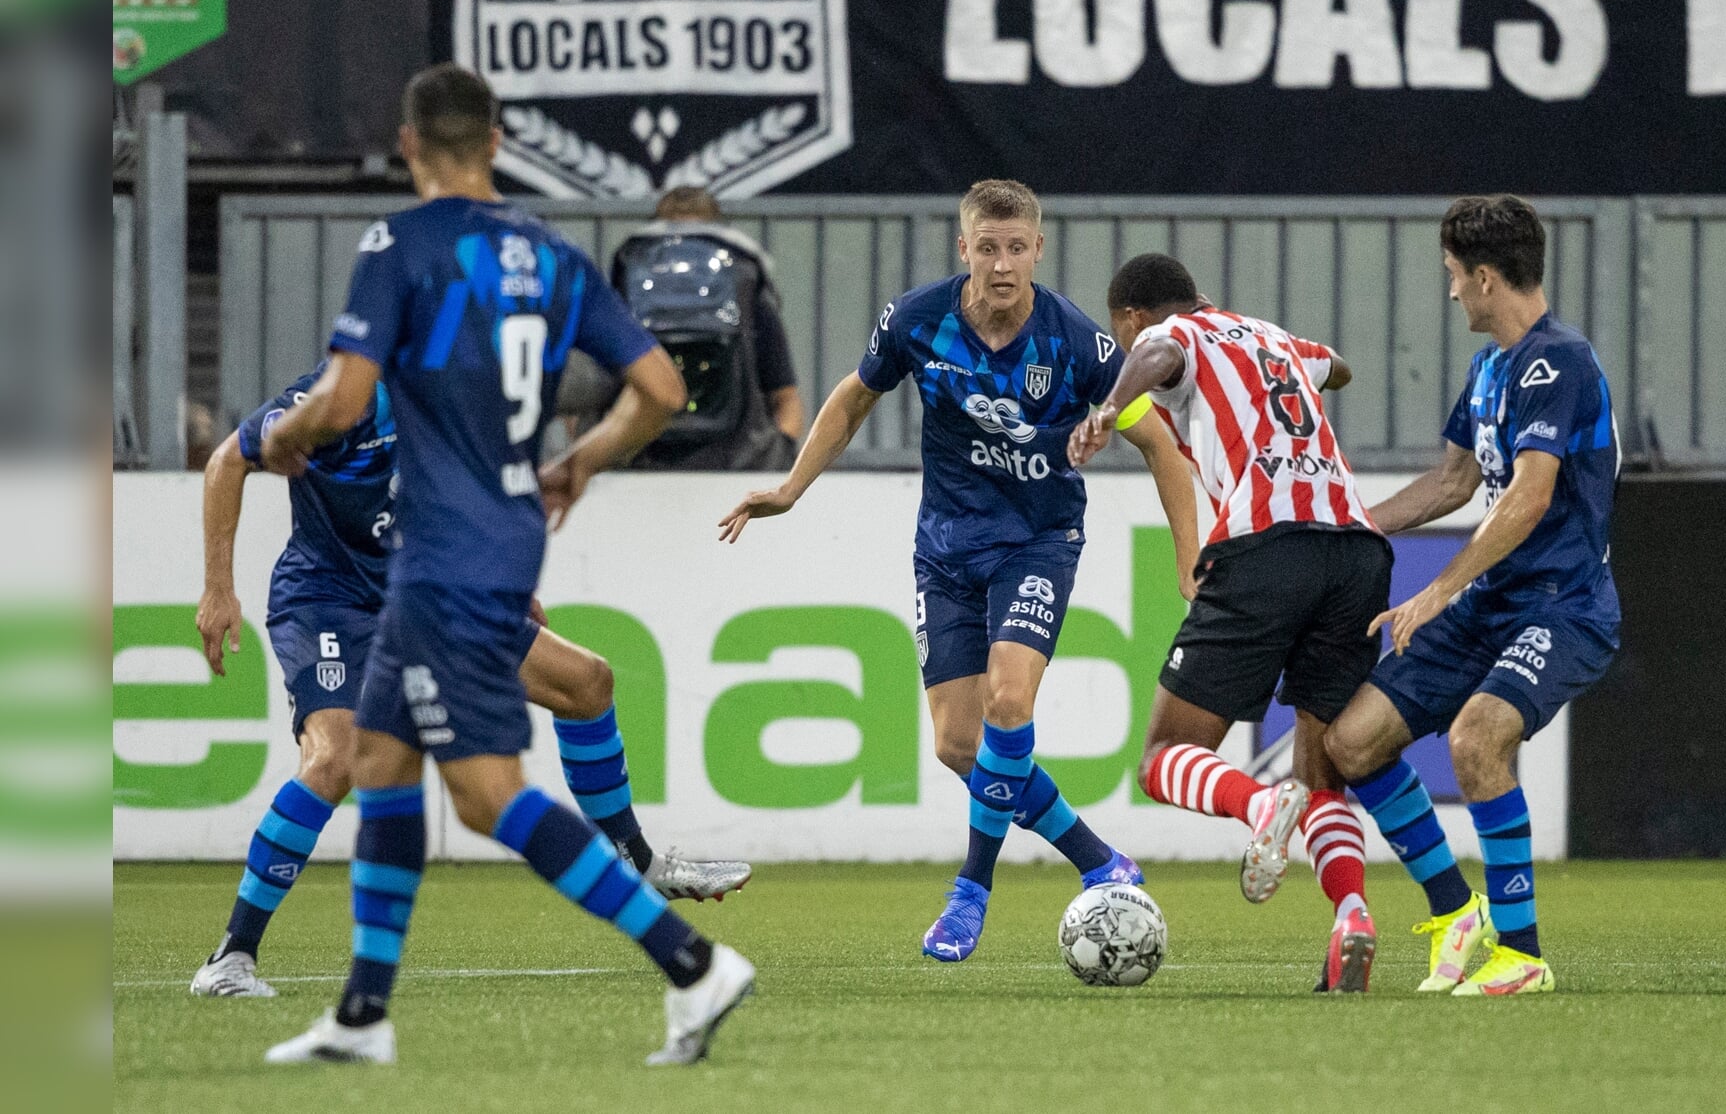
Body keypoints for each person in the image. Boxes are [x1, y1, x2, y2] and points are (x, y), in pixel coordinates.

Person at [258, 64, 753, 1065]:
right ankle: (362, 1014)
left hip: (446, 553)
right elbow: (658, 384)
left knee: (487, 794)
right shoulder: (551, 253)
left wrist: (288, 434)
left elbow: (346, 399)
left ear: (408, 147)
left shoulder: (398, 246)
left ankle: (694, 962)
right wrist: (580, 458)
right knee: (384, 764)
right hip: (492, 536)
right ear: (494, 142)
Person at [719, 179, 1200, 962]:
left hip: (1037, 542)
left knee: (1010, 702)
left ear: (1038, 250)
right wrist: (790, 488)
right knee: (956, 744)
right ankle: (1099, 860)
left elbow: (1161, 448)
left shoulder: (1075, 342)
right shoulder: (917, 320)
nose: (1003, 264)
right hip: (944, 549)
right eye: (988, 247)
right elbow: (849, 400)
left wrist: (1188, 559)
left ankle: (969, 892)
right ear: (964, 248)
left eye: (1017, 248)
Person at [187, 366, 752, 999]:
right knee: (336, 758)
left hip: (434, 596)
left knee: (586, 682)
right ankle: (231, 956)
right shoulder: (337, 399)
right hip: (331, 601)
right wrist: (217, 588)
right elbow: (227, 461)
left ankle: (635, 859)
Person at [1320, 195, 1622, 997]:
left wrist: (1435, 589)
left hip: (1564, 606)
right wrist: (1343, 526)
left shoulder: (1561, 365)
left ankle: (1521, 956)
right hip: (1491, 605)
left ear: (1486, 279)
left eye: (1455, 277)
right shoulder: (1490, 368)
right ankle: (1459, 914)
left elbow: (1524, 498)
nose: (1452, 292)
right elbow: (1453, 481)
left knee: (1477, 740)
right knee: (1351, 743)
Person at [1070, 254, 1393, 994]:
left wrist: (1104, 407)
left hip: (1267, 546)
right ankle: (1352, 915)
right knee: (1323, 774)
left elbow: (1159, 351)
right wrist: (1288, 360)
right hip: (1356, 551)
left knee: (1164, 758)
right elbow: (1337, 367)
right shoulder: (1276, 341)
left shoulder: (1168, 336)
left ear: (1128, 319)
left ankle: (1258, 804)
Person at [585, 186, 804, 469]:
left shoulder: (626, 274)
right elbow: (786, 398)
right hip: (738, 463)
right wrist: (776, 460)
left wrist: (589, 459)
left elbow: (587, 394)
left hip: (636, 462)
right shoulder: (746, 278)